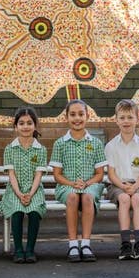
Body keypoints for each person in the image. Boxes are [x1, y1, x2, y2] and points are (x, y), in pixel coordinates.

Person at [50, 99, 107, 262]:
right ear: (66, 118)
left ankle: (86, 243)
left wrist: (87, 183)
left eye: (81, 114)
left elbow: (99, 174)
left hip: (91, 184)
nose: (77, 118)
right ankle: (73, 244)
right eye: (73, 114)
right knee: (73, 196)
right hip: (66, 185)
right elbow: (57, 175)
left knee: (87, 196)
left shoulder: (95, 143)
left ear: (87, 116)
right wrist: (72, 184)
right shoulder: (60, 143)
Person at [0, 107, 47, 263]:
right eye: (21, 123)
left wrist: (31, 194)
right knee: (16, 210)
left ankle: (30, 249)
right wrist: (19, 194)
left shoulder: (41, 149)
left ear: (35, 126)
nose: (25, 126)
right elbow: (11, 174)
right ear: (16, 126)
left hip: (34, 189)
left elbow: (38, 175)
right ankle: (18, 249)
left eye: (29, 123)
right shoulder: (10, 149)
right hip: (15, 189)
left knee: (34, 211)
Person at [104, 99, 139, 261]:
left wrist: (136, 186)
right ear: (116, 120)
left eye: (130, 117)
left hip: (137, 184)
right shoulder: (111, 146)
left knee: (137, 198)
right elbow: (111, 173)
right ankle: (125, 245)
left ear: (137, 120)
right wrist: (123, 187)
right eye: (122, 117)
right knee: (124, 199)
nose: (126, 121)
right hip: (117, 185)